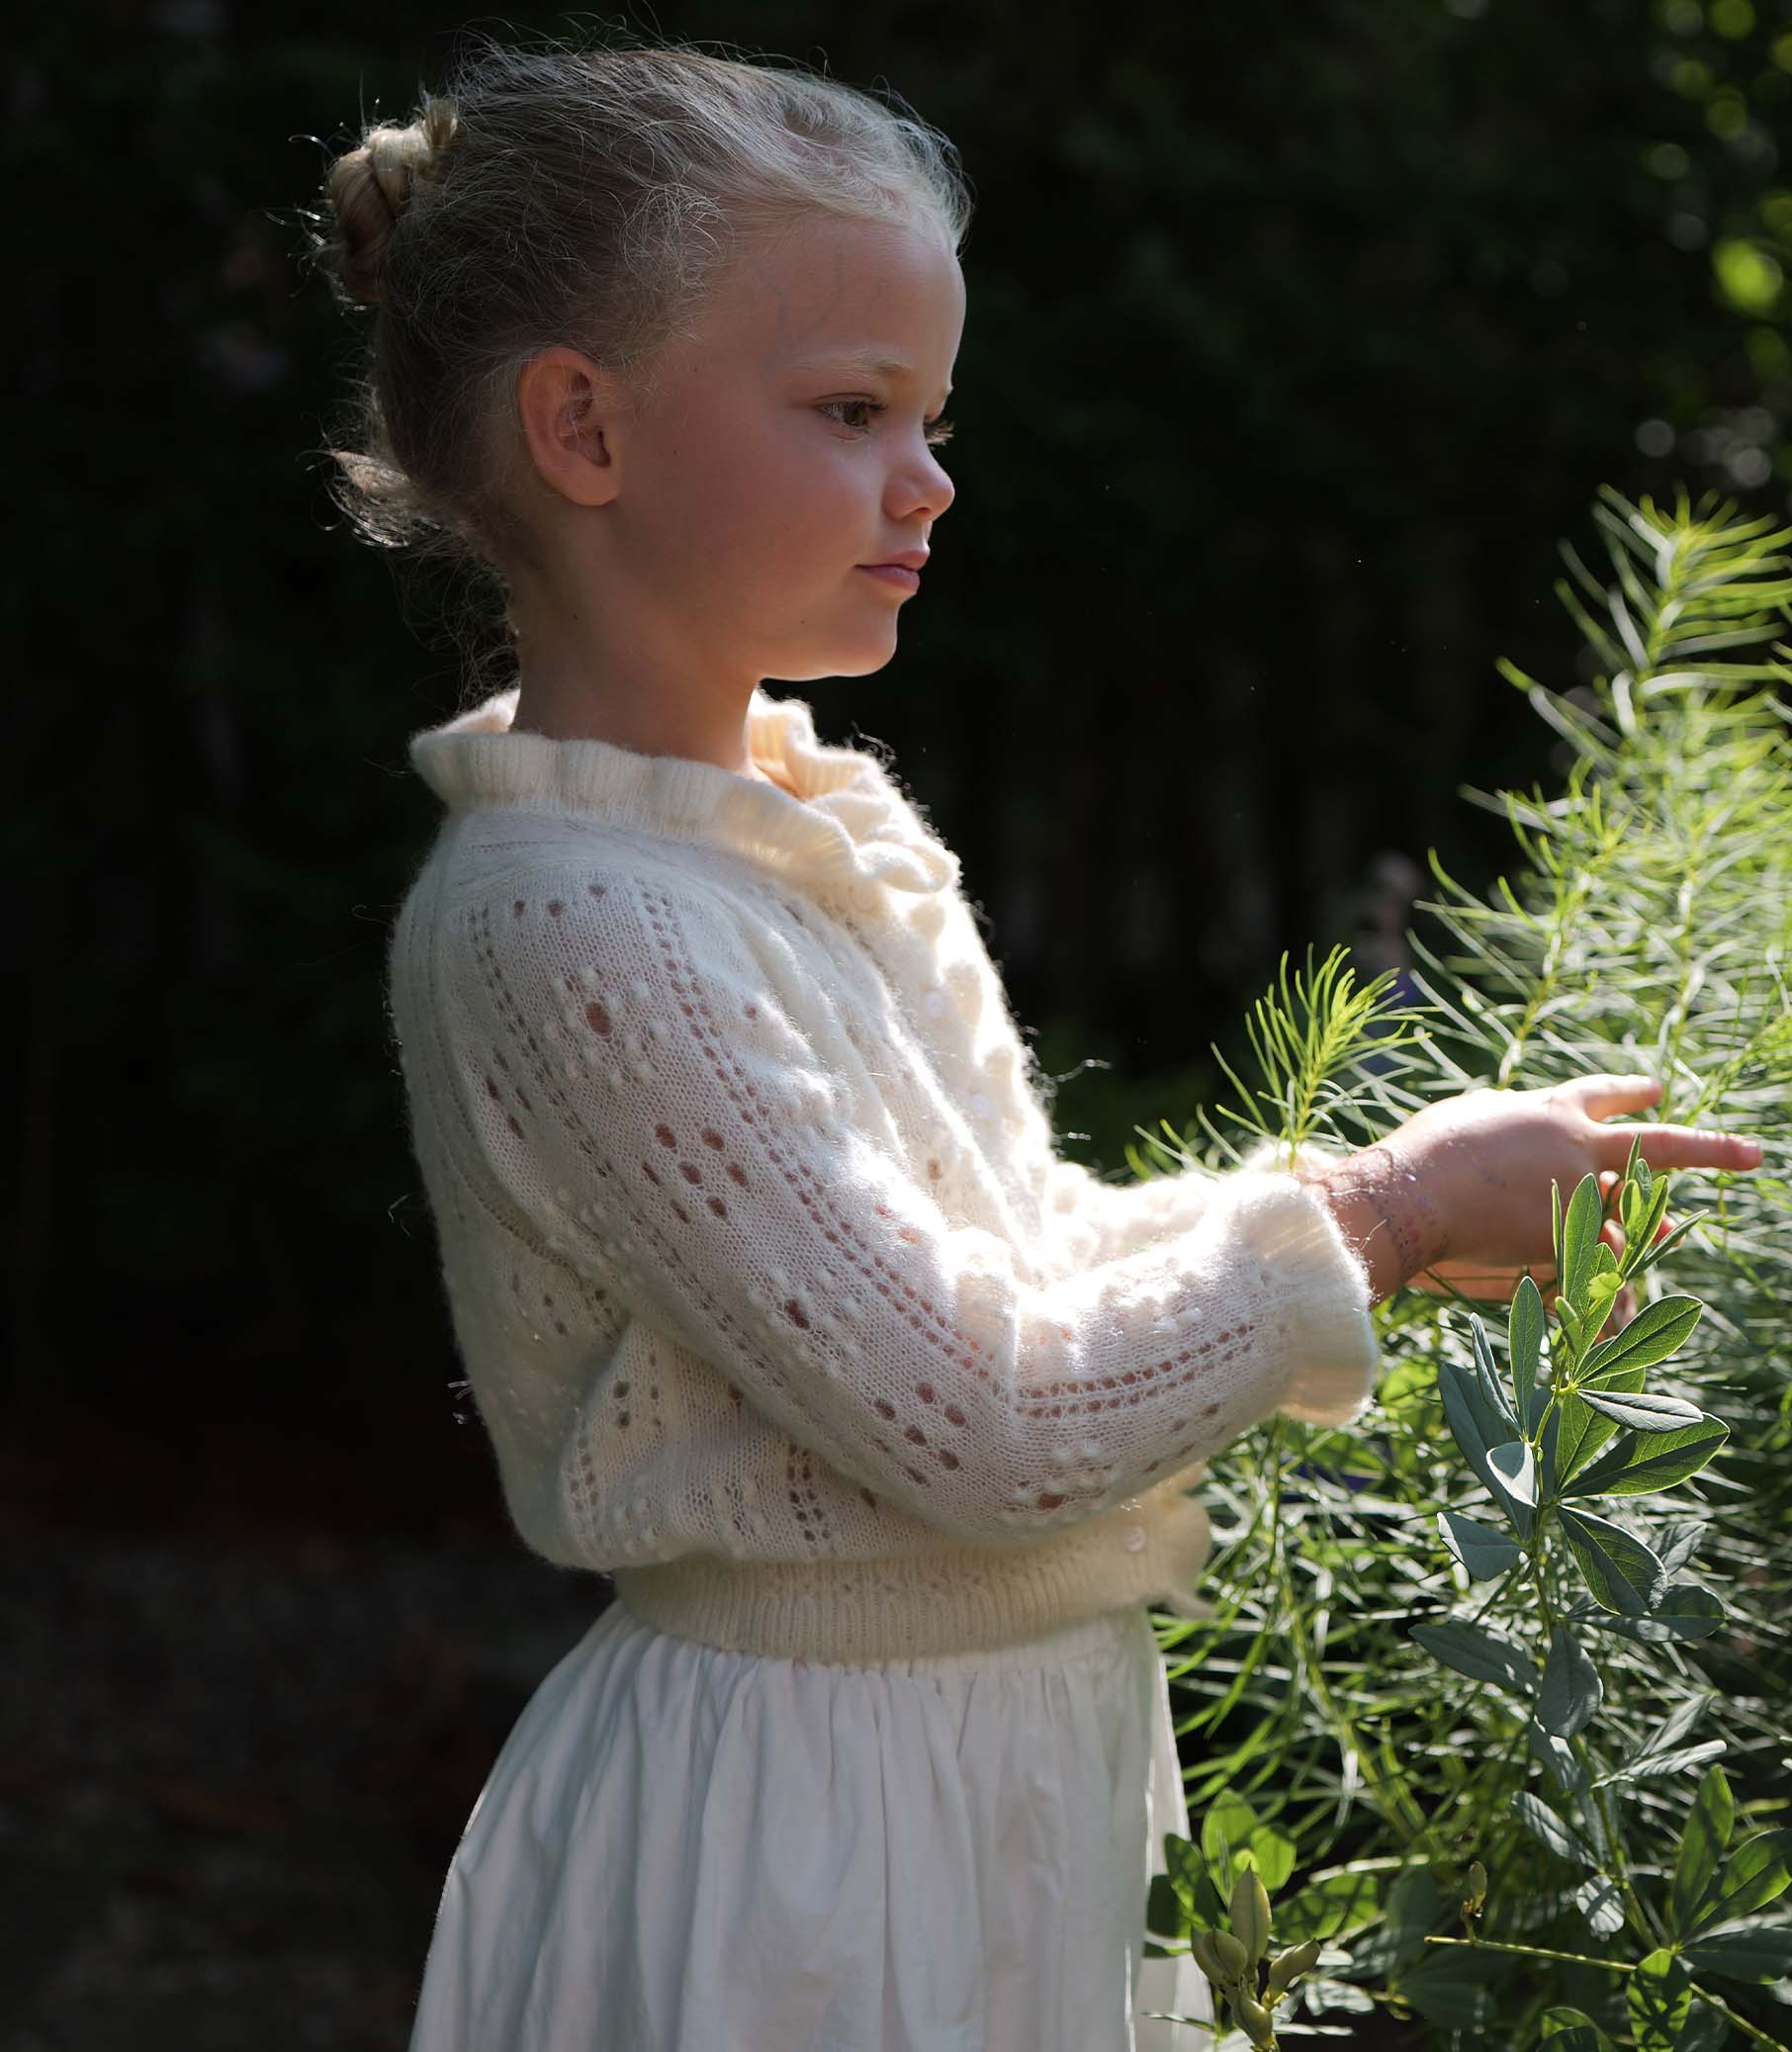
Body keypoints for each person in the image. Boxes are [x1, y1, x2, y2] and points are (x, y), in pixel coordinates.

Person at [312, 34, 1765, 2052]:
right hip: (810, 1839)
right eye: (853, 411)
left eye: (932, 418)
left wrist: (1387, 1196)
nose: (928, 479)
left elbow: (1004, 1261)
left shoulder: (809, 827)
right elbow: (979, 1424)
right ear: (585, 427)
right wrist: (1387, 1215)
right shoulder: (577, 920)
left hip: (995, 1771)